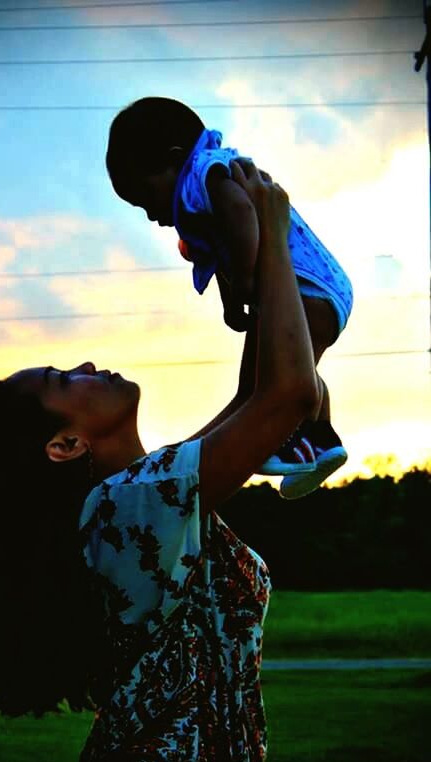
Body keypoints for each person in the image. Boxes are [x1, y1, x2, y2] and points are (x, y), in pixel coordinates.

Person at [0, 163, 319, 762]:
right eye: (61, 378)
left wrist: (245, 269)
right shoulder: (121, 513)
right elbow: (288, 398)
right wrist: (275, 235)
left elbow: (260, 399)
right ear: (64, 445)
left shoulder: (145, 503)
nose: (84, 365)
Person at [106, 96, 354, 499]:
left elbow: (240, 215)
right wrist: (231, 298)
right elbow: (222, 245)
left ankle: (287, 440)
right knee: (285, 371)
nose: (150, 213)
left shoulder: (203, 174)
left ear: (173, 159)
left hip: (305, 286)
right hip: (322, 287)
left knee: (260, 385)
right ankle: (320, 440)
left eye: (144, 195)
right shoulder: (201, 188)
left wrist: (242, 283)